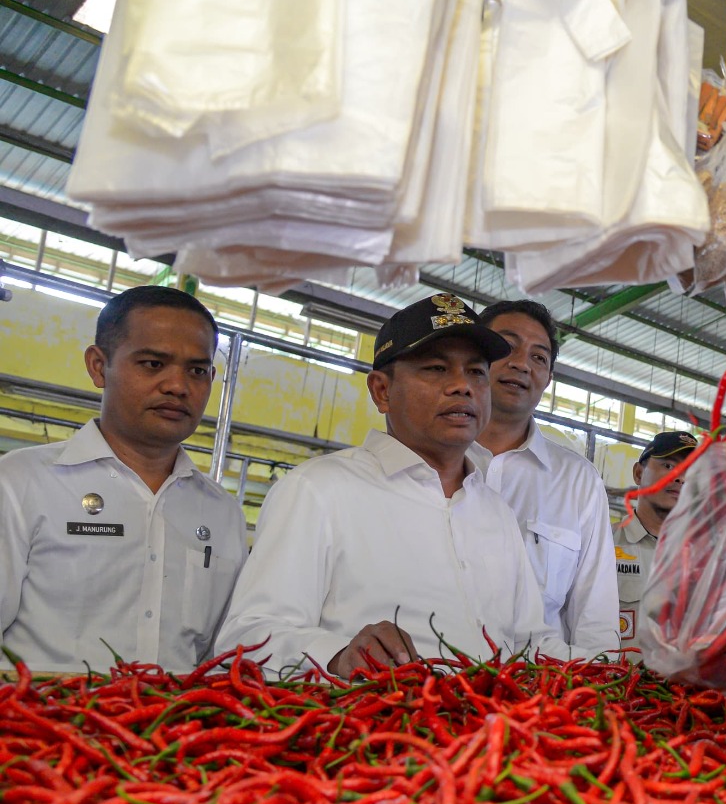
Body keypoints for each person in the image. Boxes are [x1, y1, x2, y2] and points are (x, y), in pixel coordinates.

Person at [219, 294, 564, 678]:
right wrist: (337, 656)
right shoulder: (318, 491)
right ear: (382, 391)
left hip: (492, 731)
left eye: (477, 372)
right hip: (367, 729)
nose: (462, 387)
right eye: (436, 368)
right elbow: (247, 637)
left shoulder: (495, 513)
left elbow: (533, 643)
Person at [0, 286, 245, 672]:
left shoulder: (221, 513)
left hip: (175, 730)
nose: (177, 386)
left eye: (197, 371)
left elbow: (219, 655)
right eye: (152, 364)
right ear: (99, 366)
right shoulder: (20, 483)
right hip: (37, 726)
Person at [473, 299, 619, 656]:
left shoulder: (577, 480)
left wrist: (598, 697)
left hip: (540, 696)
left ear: (549, 379)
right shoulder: (427, 461)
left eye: (539, 357)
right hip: (428, 687)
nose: (522, 363)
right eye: (507, 347)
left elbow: (595, 614)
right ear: (474, 355)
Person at [615, 430, 696, 652]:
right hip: (610, 682)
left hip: (677, 687)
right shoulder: (601, 544)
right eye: (669, 466)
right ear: (639, 474)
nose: (681, 478)